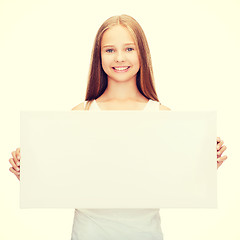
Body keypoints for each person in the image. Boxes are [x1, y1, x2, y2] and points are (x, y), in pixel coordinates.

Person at [9, 14, 228, 240]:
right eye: (110, 50)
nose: (119, 58)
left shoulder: (162, 116)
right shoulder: (81, 114)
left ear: (142, 53)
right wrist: (26, 171)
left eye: (129, 49)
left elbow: (181, 182)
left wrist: (208, 163)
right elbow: (54, 179)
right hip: (88, 233)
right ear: (99, 56)